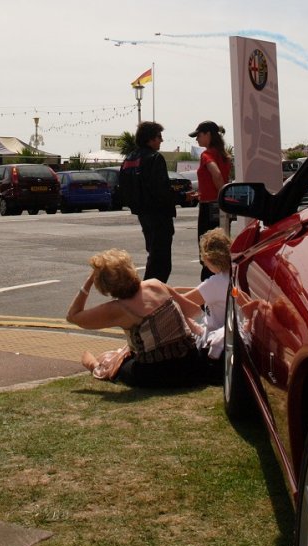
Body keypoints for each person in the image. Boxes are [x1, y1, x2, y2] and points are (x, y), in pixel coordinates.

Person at [66, 249, 207, 388]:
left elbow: (73, 316)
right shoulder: (155, 284)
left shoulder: (118, 308)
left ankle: (94, 365)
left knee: (118, 365)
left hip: (157, 372)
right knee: (125, 353)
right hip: (191, 362)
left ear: (104, 286)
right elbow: (193, 310)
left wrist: (88, 281)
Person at [119, 121, 176, 282]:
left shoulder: (130, 158)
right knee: (161, 263)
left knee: (154, 255)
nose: (161, 140)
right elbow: (161, 189)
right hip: (159, 215)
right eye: (159, 137)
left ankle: (148, 295)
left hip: (143, 214)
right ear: (150, 138)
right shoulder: (155, 158)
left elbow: (123, 187)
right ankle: (149, 297)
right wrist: (180, 198)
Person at [176, 228, 232, 363]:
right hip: (230, 336)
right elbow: (203, 291)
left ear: (207, 258)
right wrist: (177, 290)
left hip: (213, 339)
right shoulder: (233, 274)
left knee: (176, 312)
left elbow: (182, 303)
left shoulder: (214, 283)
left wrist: (168, 292)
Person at [188, 120, 232, 280]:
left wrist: (220, 195)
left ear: (208, 134)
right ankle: (221, 283)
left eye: (199, 135)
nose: (197, 139)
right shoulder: (224, 155)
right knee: (220, 248)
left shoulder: (207, 155)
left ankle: (208, 288)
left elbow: (217, 174)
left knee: (207, 251)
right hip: (219, 207)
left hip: (210, 207)